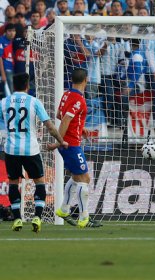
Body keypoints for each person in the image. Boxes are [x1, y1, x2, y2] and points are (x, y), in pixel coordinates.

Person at [0, 72, 68, 232]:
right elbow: (50, 126)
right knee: (39, 182)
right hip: (30, 149)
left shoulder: (3, 102)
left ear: (13, 85)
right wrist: (60, 141)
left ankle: (17, 219)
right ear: (27, 86)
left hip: (11, 149)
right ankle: (37, 216)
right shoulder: (33, 101)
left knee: (13, 183)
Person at [48, 68, 102, 228]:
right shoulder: (79, 99)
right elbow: (64, 120)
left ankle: (64, 209)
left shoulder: (66, 94)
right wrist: (59, 141)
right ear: (85, 80)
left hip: (69, 142)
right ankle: (84, 217)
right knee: (84, 179)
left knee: (77, 177)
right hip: (70, 144)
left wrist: (80, 128)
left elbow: (59, 114)